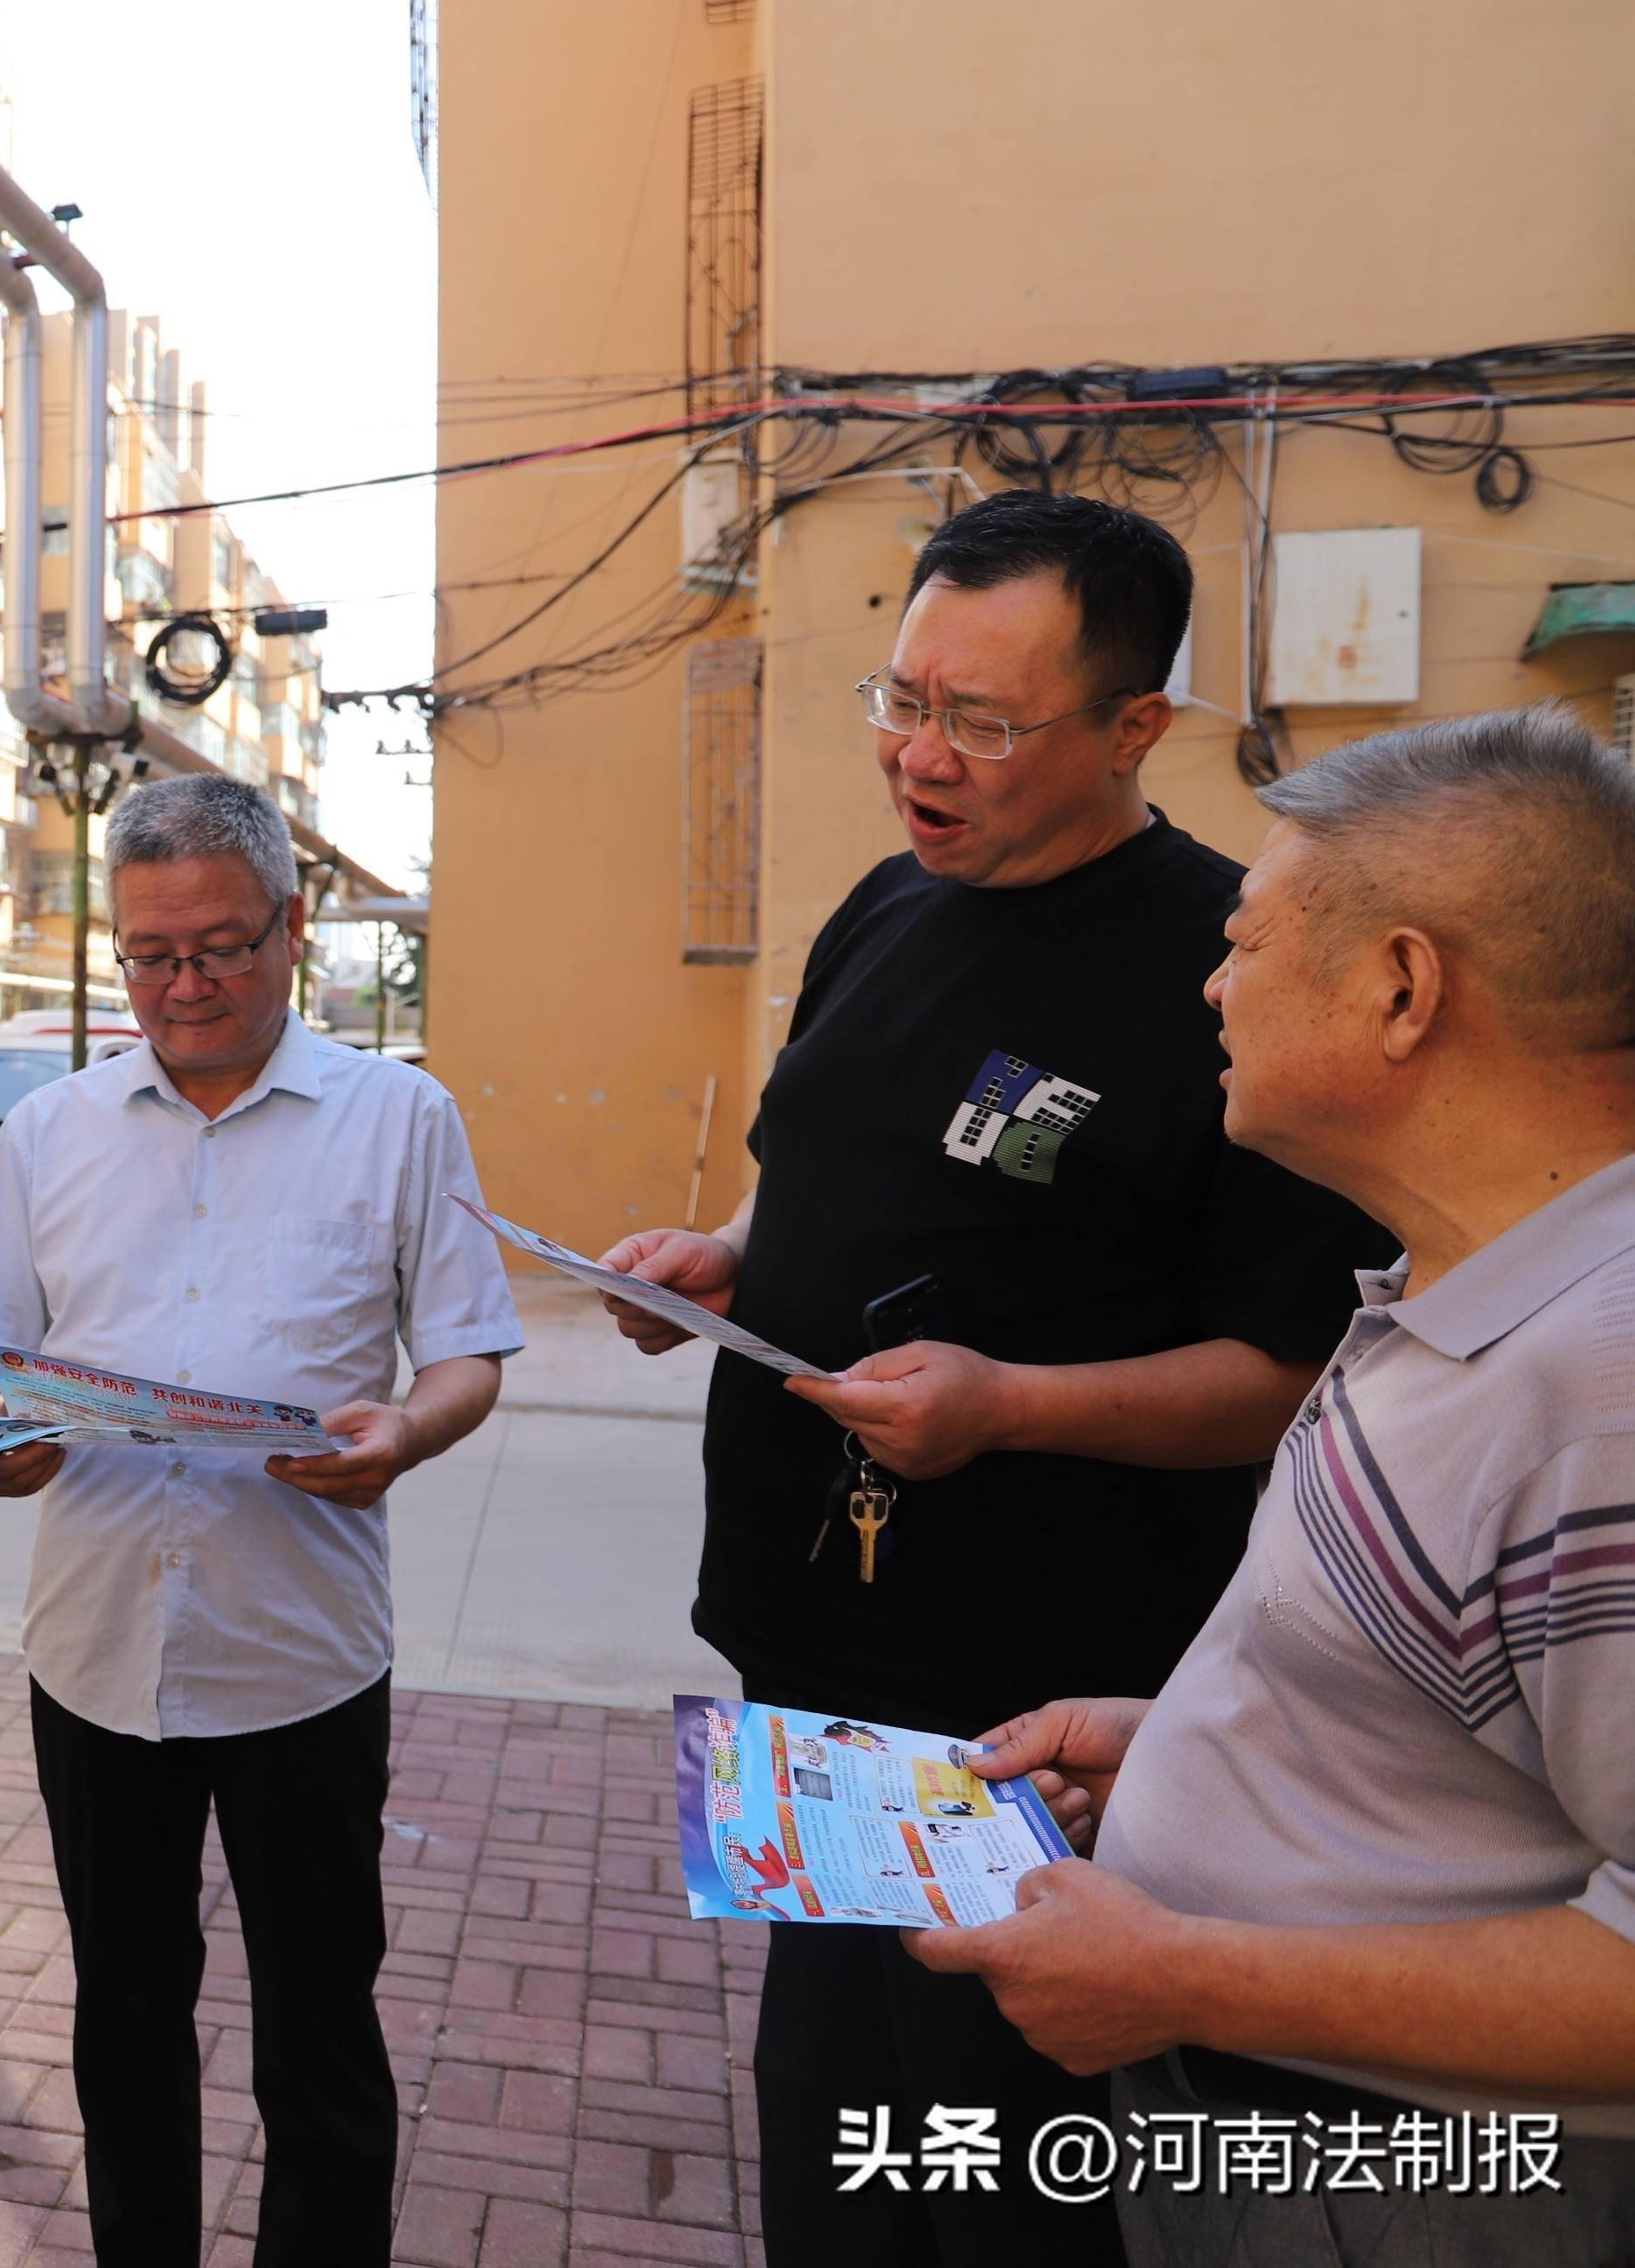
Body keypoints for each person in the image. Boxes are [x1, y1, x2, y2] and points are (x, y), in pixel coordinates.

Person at [591, 490, 1385, 2264]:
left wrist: (1006, 1404)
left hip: (1034, 1719)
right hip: (811, 1678)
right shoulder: (883, 904)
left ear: (1127, 729)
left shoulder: (1224, 969)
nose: (912, 755)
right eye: (895, 698)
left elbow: (1276, 1372)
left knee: (1000, 2163)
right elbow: (816, 1165)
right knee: (832, 2122)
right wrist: (724, 1262)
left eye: (974, 722)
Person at [909, 709, 1635, 2263]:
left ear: (1399, 987)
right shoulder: (1467, 1292)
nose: (1212, 984)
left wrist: (1187, 1974)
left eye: (1245, 940)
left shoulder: (1603, 1387)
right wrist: (1188, 1747)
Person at [0, 774, 523, 2266]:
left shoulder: (400, 1116)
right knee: (125, 2017)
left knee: (321, 2024)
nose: (183, 986)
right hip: (98, 1647)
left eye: (220, 947)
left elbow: (465, 1347)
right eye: (149, 955)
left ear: (295, 926)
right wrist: (1, 1438)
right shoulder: (50, 1131)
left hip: (303, 1651)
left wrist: (406, 1429)